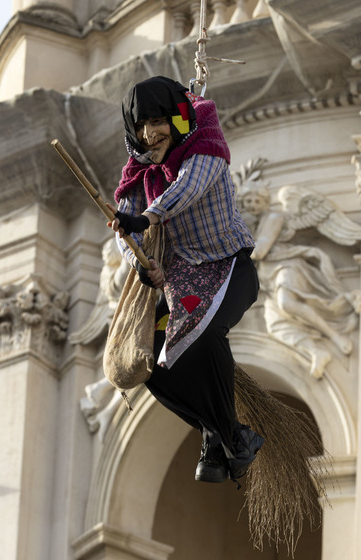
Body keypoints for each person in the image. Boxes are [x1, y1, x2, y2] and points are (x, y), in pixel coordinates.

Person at [106, 76, 263, 484]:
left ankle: (224, 437)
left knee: (205, 335)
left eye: (157, 120)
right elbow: (126, 229)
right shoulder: (137, 174)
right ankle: (222, 434)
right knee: (149, 360)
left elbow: (189, 186)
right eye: (140, 127)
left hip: (228, 270)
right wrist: (141, 260)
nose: (149, 133)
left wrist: (146, 217)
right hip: (182, 291)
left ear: (177, 116)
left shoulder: (206, 145)